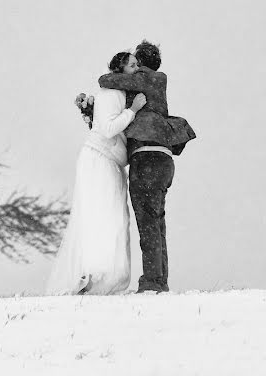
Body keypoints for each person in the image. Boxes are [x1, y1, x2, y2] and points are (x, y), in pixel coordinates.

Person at [98, 40, 196, 293]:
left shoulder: (145, 79)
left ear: (140, 64)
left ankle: (152, 282)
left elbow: (106, 80)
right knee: (157, 221)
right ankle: (159, 280)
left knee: (148, 223)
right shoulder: (159, 84)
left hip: (146, 159)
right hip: (164, 160)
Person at [46, 52, 148, 295]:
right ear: (120, 69)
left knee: (113, 217)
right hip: (99, 161)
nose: (137, 69)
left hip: (110, 162)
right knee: (102, 215)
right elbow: (108, 128)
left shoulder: (119, 94)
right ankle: (91, 275)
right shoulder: (112, 93)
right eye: (132, 65)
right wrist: (133, 110)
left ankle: (101, 278)